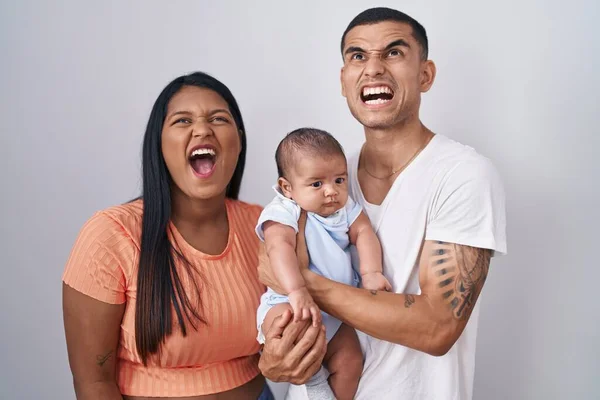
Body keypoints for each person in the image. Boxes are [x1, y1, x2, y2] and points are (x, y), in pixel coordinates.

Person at [258, 7, 507, 400]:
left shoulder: (463, 175)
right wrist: (272, 360)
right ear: (344, 80)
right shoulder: (320, 178)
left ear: (425, 75)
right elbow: (272, 274)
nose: (372, 68)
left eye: (393, 52)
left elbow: (437, 327)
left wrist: (303, 284)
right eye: (358, 55)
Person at [61, 71, 326, 400]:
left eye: (218, 118)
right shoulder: (110, 235)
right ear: (159, 143)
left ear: (239, 141)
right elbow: (93, 383)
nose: (203, 129)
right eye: (182, 121)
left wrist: (282, 355)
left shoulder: (265, 227)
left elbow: (297, 319)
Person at [255, 128, 391, 399]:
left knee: (351, 361)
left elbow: (363, 232)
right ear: (287, 188)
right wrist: (296, 291)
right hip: (288, 303)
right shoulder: (284, 210)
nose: (331, 191)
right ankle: (315, 382)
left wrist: (371, 271)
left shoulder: (345, 208)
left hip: (335, 311)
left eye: (339, 180)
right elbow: (278, 247)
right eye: (317, 184)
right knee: (289, 334)